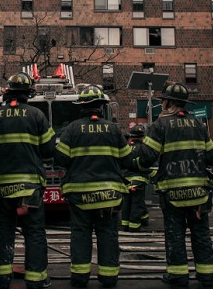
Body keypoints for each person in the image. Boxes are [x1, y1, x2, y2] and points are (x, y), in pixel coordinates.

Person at [136, 83, 213, 287]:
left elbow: (146, 157)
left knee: (175, 234)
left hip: (173, 193)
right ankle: (206, 275)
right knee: (201, 234)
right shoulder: (199, 124)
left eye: (163, 100)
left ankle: (178, 275)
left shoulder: (161, 126)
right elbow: (212, 157)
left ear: (168, 102)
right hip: (199, 193)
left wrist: (134, 163)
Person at [54, 85, 134, 289]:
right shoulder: (114, 129)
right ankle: (109, 277)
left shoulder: (72, 129)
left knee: (80, 235)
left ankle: (80, 278)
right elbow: (127, 160)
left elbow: (61, 159)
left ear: (81, 107)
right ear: (101, 107)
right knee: (107, 235)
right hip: (109, 196)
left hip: (80, 196)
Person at [0, 72, 55, 289]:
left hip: (1, 188)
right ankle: (36, 280)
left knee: (3, 231)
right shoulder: (37, 116)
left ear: (8, 93)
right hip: (29, 189)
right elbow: (48, 150)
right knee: (34, 232)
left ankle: (1, 278)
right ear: (29, 94)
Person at [121, 124, 150, 232]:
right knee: (136, 203)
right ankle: (134, 226)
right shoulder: (143, 148)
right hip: (139, 181)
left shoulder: (127, 148)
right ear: (142, 137)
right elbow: (147, 163)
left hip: (126, 180)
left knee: (127, 202)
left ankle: (125, 224)